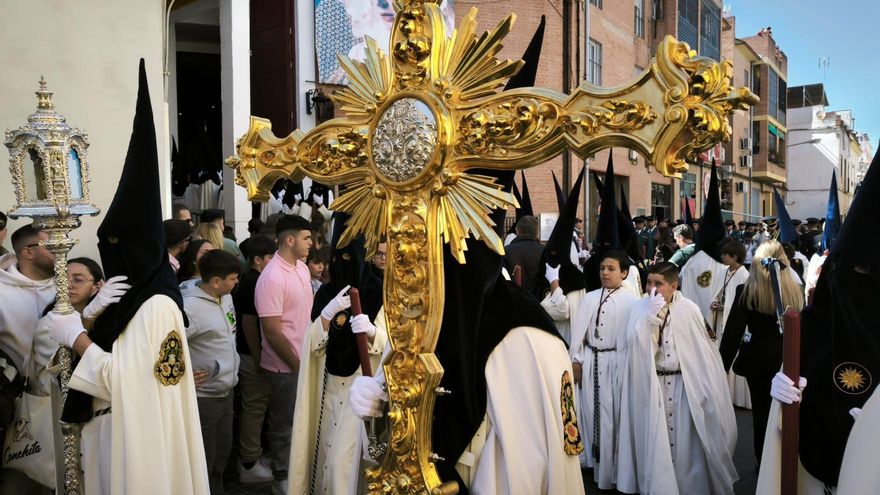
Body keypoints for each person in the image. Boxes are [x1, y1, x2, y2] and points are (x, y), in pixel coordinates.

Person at [350, 20, 586, 492]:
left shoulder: (534, 341)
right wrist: (376, 411)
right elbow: (388, 456)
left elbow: (550, 469)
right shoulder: (414, 325)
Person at [44, 60, 208, 494]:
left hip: (137, 446)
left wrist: (77, 337)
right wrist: (92, 320)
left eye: (114, 248)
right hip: (109, 434)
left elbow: (129, 384)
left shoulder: (156, 307)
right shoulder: (132, 300)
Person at [617, 262, 737, 494]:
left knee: (686, 447)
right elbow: (636, 352)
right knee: (656, 442)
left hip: (684, 388)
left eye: (658, 284)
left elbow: (703, 353)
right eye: (649, 283)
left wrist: (707, 387)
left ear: (674, 285)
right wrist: (649, 320)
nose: (652, 289)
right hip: (654, 387)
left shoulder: (689, 309)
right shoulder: (639, 308)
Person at [289, 214, 388, 494]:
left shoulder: (379, 291)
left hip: (360, 390)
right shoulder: (326, 294)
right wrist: (325, 316)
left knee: (343, 465)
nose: (346, 264)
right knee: (324, 459)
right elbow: (313, 344)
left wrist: (371, 333)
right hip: (329, 387)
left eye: (351, 257)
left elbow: (390, 343)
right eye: (339, 258)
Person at [719, 240, 803, 465]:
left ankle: (764, 463)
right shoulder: (796, 290)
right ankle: (788, 461)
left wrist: (720, 369)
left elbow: (732, 335)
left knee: (762, 414)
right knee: (791, 413)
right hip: (790, 359)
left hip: (759, 361)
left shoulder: (746, 291)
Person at [255, 214, 314, 494]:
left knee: (302, 421)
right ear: (289, 240)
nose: (311, 244)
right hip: (284, 366)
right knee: (284, 425)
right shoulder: (272, 277)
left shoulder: (301, 268)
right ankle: (282, 477)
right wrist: (296, 364)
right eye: (306, 238)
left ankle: (300, 472)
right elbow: (272, 330)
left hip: (304, 359)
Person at [570, 250, 638, 488]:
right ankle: (593, 462)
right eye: (602, 269)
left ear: (624, 273)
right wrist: (577, 360)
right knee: (590, 411)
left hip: (616, 364)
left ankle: (614, 471)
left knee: (613, 416)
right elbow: (579, 332)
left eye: (611, 269)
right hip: (591, 363)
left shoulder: (632, 302)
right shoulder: (590, 298)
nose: (605, 273)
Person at [182, 249, 242, 494]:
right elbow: (165, 346)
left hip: (226, 393)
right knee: (204, 462)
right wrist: (184, 375)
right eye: (233, 278)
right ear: (216, 281)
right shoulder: (189, 308)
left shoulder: (225, 297)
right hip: (204, 399)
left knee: (220, 458)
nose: (237, 282)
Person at [232, 235, 276, 484]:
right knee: (254, 407)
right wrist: (259, 358)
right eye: (270, 257)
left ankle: (254, 456)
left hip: (253, 354)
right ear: (257, 260)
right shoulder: (253, 282)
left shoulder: (256, 279)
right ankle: (249, 462)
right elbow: (249, 323)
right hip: (251, 355)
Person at [537, 168, 587, 345]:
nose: (552, 260)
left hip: (567, 340)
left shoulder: (576, 281)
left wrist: (554, 283)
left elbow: (563, 310)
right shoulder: (543, 271)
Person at [503, 215, 543, 295]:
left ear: (517, 230)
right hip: (540, 302)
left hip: (515, 300)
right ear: (537, 232)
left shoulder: (506, 251)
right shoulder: (545, 252)